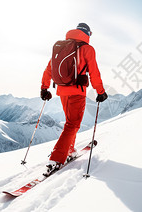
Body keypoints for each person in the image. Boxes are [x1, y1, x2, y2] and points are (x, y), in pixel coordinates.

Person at [40, 23, 108, 176]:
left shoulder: (61, 47)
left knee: (70, 122)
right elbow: (94, 72)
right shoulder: (87, 49)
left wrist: (44, 88)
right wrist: (101, 91)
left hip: (62, 91)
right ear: (87, 33)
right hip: (77, 91)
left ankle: (69, 150)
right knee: (73, 123)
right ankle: (56, 159)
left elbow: (49, 69)